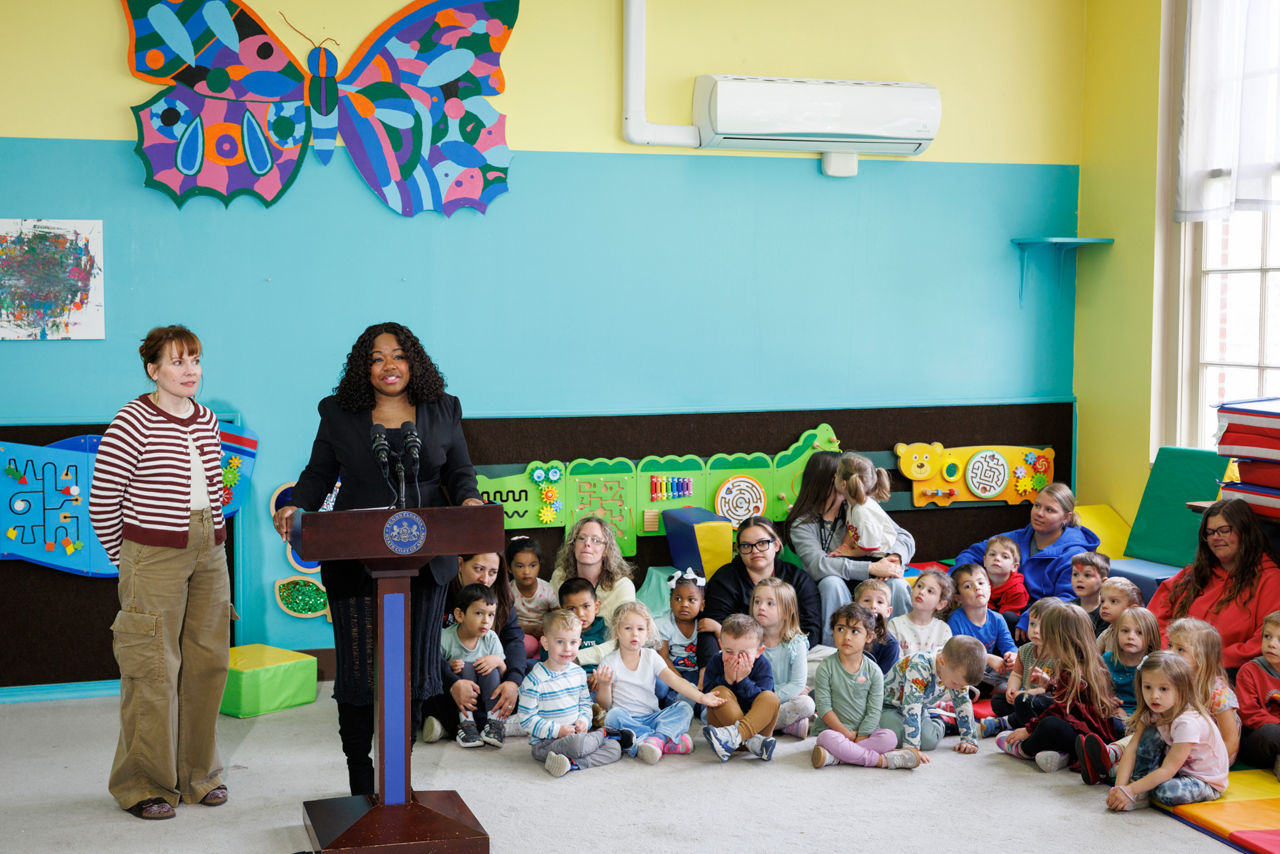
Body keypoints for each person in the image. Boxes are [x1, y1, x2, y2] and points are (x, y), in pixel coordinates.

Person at [271, 322, 483, 796]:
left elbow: (460, 470)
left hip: (425, 561)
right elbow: (319, 474)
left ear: (415, 361)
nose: (389, 366)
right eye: (376, 358)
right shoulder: (339, 413)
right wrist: (296, 504)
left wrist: (469, 501)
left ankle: (396, 779)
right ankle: (357, 774)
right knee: (359, 672)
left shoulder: (443, 409)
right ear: (362, 369)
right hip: (354, 559)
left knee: (411, 673)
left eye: (398, 355)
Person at [90, 325, 231, 820]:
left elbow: (213, 491)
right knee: (151, 667)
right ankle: (143, 783)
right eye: (176, 362)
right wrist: (126, 560)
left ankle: (198, 774)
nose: (189, 370)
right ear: (153, 370)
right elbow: (103, 500)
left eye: (194, 359)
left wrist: (212, 542)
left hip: (209, 552)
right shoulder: (132, 421)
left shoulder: (208, 420)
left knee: (208, 663)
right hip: (150, 554)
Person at [786, 452, 915, 629]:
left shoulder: (860, 506)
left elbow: (903, 536)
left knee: (897, 585)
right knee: (832, 583)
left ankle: (902, 648)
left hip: (870, 582)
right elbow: (818, 566)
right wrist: (871, 567)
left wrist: (894, 558)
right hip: (837, 582)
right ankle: (834, 651)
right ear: (834, 480)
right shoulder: (803, 523)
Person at [1149, 498, 1280, 669]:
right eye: (1210, 533)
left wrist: (1206, 661)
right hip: (1173, 664)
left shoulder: (1270, 579)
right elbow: (1155, 615)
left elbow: (1264, 641)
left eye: (1224, 530)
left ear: (1245, 532)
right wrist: (1172, 651)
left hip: (1226, 672)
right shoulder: (1194, 572)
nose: (1215, 538)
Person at [995, 604, 1122, 773]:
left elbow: (1060, 711)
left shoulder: (1073, 671)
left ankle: (1025, 749)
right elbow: (1073, 701)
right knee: (1026, 700)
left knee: (1049, 724)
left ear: (1059, 640)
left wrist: (1028, 730)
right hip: (1079, 723)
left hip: (1083, 733)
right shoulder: (1086, 662)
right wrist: (1049, 684)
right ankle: (1058, 752)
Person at [953, 482, 1100, 627]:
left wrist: (1032, 615)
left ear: (1066, 518)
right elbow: (971, 553)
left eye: (1049, 510)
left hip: (1041, 622)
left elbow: (1068, 600)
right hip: (1000, 607)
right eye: (1037, 506)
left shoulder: (1075, 555)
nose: (1039, 513)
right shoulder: (1015, 539)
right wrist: (958, 581)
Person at [595, 601, 723, 763]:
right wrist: (604, 685)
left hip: (653, 717)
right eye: (628, 628)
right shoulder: (609, 662)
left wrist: (701, 697)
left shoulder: (651, 656)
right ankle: (664, 740)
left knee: (684, 708)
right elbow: (604, 703)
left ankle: (654, 741)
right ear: (616, 632)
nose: (635, 634)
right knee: (612, 717)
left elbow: (675, 681)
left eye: (640, 629)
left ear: (647, 633)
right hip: (627, 720)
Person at [422, 552, 527, 745]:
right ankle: (490, 725)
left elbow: (514, 641)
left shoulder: (499, 597)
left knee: (531, 672)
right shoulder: (440, 593)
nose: (485, 579)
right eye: (478, 569)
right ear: (460, 564)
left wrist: (513, 682)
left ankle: (453, 727)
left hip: (488, 682)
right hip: (451, 678)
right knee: (428, 686)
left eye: (493, 572)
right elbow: (425, 648)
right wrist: (453, 682)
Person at [1104, 651, 1229, 810]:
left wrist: (1131, 790)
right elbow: (1132, 749)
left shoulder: (1187, 723)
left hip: (1204, 781)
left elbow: (1168, 770)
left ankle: (1140, 788)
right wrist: (1119, 789)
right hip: (1177, 771)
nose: (1154, 696)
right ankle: (1138, 784)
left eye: (1163, 689)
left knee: (1163, 791)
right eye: (1148, 687)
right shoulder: (1152, 712)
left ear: (1181, 689)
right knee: (1149, 733)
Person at [699, 516, 821, 674]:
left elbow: (811, 629)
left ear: (776, 545)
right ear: (739, 550)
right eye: (746, 546)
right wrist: (706, 672)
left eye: (762, 543)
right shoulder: (725, 580)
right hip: (742, 658)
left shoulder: (798, 579)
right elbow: (709, 627)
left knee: (825, 664)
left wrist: (784, 656)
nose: (755, 550)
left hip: (790, 656)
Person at [518, 609, 630, 777]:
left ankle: (573, 764)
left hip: (578, 735)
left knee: (614, 750)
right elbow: (526, 720)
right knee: (577, 745)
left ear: (579, 643)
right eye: (560, 642)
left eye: (572, 642)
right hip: (546, 743)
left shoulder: (578, 673)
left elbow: (585, 704)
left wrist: (583, 721)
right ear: (546, 643)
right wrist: (557, 730)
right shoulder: (535, 680)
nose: (567, 649)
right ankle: (604, 734)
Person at [811, 604, 923, 770]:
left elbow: (874, 710)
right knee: (826, 738)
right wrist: (846, 734)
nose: (847, 637)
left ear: (869, 637)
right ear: (833, 631)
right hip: (834, 731)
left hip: (866, 734)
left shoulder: (874, 671)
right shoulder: (825, 668)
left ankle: (836, 757)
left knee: (890, 737)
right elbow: (824, 708)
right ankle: (881, 761)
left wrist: (862, 736)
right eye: (840, 629)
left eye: (855, 631)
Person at [879, 635, 985, 754]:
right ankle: (937, 716)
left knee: (929, 742)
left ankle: (942, 721)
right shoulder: (918, 666)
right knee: (894, 738)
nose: (958, 688)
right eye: (955, 683)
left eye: (963, 686)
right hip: (888, 706)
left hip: (921, 708)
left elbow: (963, 702)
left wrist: (969, 739)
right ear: (942, 662)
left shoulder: (955, 673)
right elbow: (911, 707)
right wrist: (911, 749)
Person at [701, 614, 780, 762]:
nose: (735, 658)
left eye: (743, 654)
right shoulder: (715, 662)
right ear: (720, 645)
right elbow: (705, 697)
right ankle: (751, 742)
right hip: (723, 730)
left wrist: (743, 680)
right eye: (729, 651)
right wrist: (727, 680)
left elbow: (763, 702)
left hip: (758, 730)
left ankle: (735, 736)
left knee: (770, 697)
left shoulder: (763, 665)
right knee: (719, 692)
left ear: (759, 651)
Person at [982, 597, 1064, 738]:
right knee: (998, 702)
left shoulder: (1059, 655)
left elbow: (1054, 689)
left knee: (1036, 703)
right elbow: (1017, 675)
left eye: (1042, 626)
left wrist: (1026, 694)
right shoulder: (1024, 650)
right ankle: (1020, 719)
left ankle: (1008, 722)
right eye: (1032, 624)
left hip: (1043, 697)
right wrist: (1011, 690)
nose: (1035, 631)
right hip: (1023, 696)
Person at [440, 584, 506, 748]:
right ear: (459, 615)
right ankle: (466, 723)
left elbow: (504, 672)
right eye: (479, 613)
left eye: (491, 615)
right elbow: (436, 669)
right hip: (457, 701)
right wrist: (449, 667)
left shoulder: (491, 638)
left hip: (485, 698)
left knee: (491, 668)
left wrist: (497, 661)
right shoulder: (446, 638)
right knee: (464, 667)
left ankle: (493, 721)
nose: (486, 620)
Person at [1168, 618, 1240, 762]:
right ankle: (1118, 753)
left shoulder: (1220, 694)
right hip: (1182, 744)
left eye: (1180, 649)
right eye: (1170, 646)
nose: (1171, 653)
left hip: (1213, 757)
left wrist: (1207, 765)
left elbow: (1230, 742)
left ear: (1202, 657)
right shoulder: (1175, 681)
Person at [752, 578, 816, 738]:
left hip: (781, 699)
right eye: (757, 601)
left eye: (770, 603)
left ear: (787, 612)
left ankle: (754, 727)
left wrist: (767, 700)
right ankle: (785, 727)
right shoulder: (749, 641)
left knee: (806, 704)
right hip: (754, 697)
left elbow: (797, 684)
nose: (761, 607)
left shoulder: (796, 644)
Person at [549, 516, 636, 624]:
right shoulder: (560, 576)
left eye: (595, 540)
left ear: (606, 551)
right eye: (581, 538)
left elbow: (625, 632)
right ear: (573, 546)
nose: (587, 544)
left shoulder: (622, 586)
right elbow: (550, 619)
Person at [946, 564, 1016, 696]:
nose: (977, 587)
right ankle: (994, 690)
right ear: (958, 598)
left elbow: (1009, 646)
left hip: (991, 671)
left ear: (989, 588)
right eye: (968, 586)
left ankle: (1001, 688)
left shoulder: (997, 619)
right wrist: (986, 658)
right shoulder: (956, 620)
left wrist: (1012, 656)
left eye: (981, 583)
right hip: (967, 669)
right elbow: (955, 655)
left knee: (1018, 667)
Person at [1235, 611, 1280, 778]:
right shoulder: (1249, 670)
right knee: (1271, 732)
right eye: (1267, 636)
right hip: (1256, 739)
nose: (1272, 644)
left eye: (1279, 640)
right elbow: (1249, 714)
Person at [831, 452, 895, 557]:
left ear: (844, 484)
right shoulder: (853, 504)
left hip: (879, 557)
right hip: (868, 553)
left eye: (837, 473)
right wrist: (845, 546)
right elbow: (853, 531)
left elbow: (870, 547)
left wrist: (850, 553)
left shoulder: (863, 511)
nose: (834, 475)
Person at [1101, 607, 1160, 718]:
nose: (1130, 637)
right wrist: (1108, 700)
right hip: (1109, 713)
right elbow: (1097, 691)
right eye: (1125, 631)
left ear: (1150, 637)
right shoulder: (1106, 660)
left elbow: (1155, 707)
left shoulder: (1154, 666)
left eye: (1139, 632)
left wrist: (1128, 716)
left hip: (1140, 719)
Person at [508, 536, 555, 660]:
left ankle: (537, 660)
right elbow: (503, 622)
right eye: (520, 566)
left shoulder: (547, 589)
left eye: (532, 565)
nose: (527, 572)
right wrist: (530, 629)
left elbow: (558, 615)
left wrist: (547, 630)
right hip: (521, 633)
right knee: (527, 645)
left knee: (550, 646)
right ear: (509, 568)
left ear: (539, 565)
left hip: (545, 633)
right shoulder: (508, 592)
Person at [887, 569, 953, 656]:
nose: (921, 592)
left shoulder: (944, 630)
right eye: (919, 586)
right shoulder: (894, 625)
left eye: (930, 591)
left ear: (941, 604)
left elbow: (945, 663)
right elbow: (895, 663)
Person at [656, 569, 703, 687]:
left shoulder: (703, 624)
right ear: (670, 602)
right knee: (660, 686)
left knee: (697, 685)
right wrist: (680, 682)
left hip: (693, 672)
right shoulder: (663, 625)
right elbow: (663, 658)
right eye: (678, 599)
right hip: (668, 669)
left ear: (702, 605)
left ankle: (679, 701)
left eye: (691, 600)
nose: (684, 604)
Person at [854, 579, 902, 674]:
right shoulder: (849, 633)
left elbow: (883, 680)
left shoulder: (890, 644)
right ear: (855, 607)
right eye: (867, 600)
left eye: (880, 602)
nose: (873, 606)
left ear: (888, 611)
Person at [984, 535, 1029, 633]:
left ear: (1014, 567)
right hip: (984, 616)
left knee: (1008, 617)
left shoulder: (1017, 590)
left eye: (1004, 556)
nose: (997, 558)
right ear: (984, 561)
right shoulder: (979, 580)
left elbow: (1003, 621)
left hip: (1005, 627)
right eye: (992, 554)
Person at [1067, 552, 1110, 635]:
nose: (1079, 579)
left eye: (1087, 575)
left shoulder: (1106, 614)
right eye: (1075, 574)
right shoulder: (1067, 608)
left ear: (1103, 582)